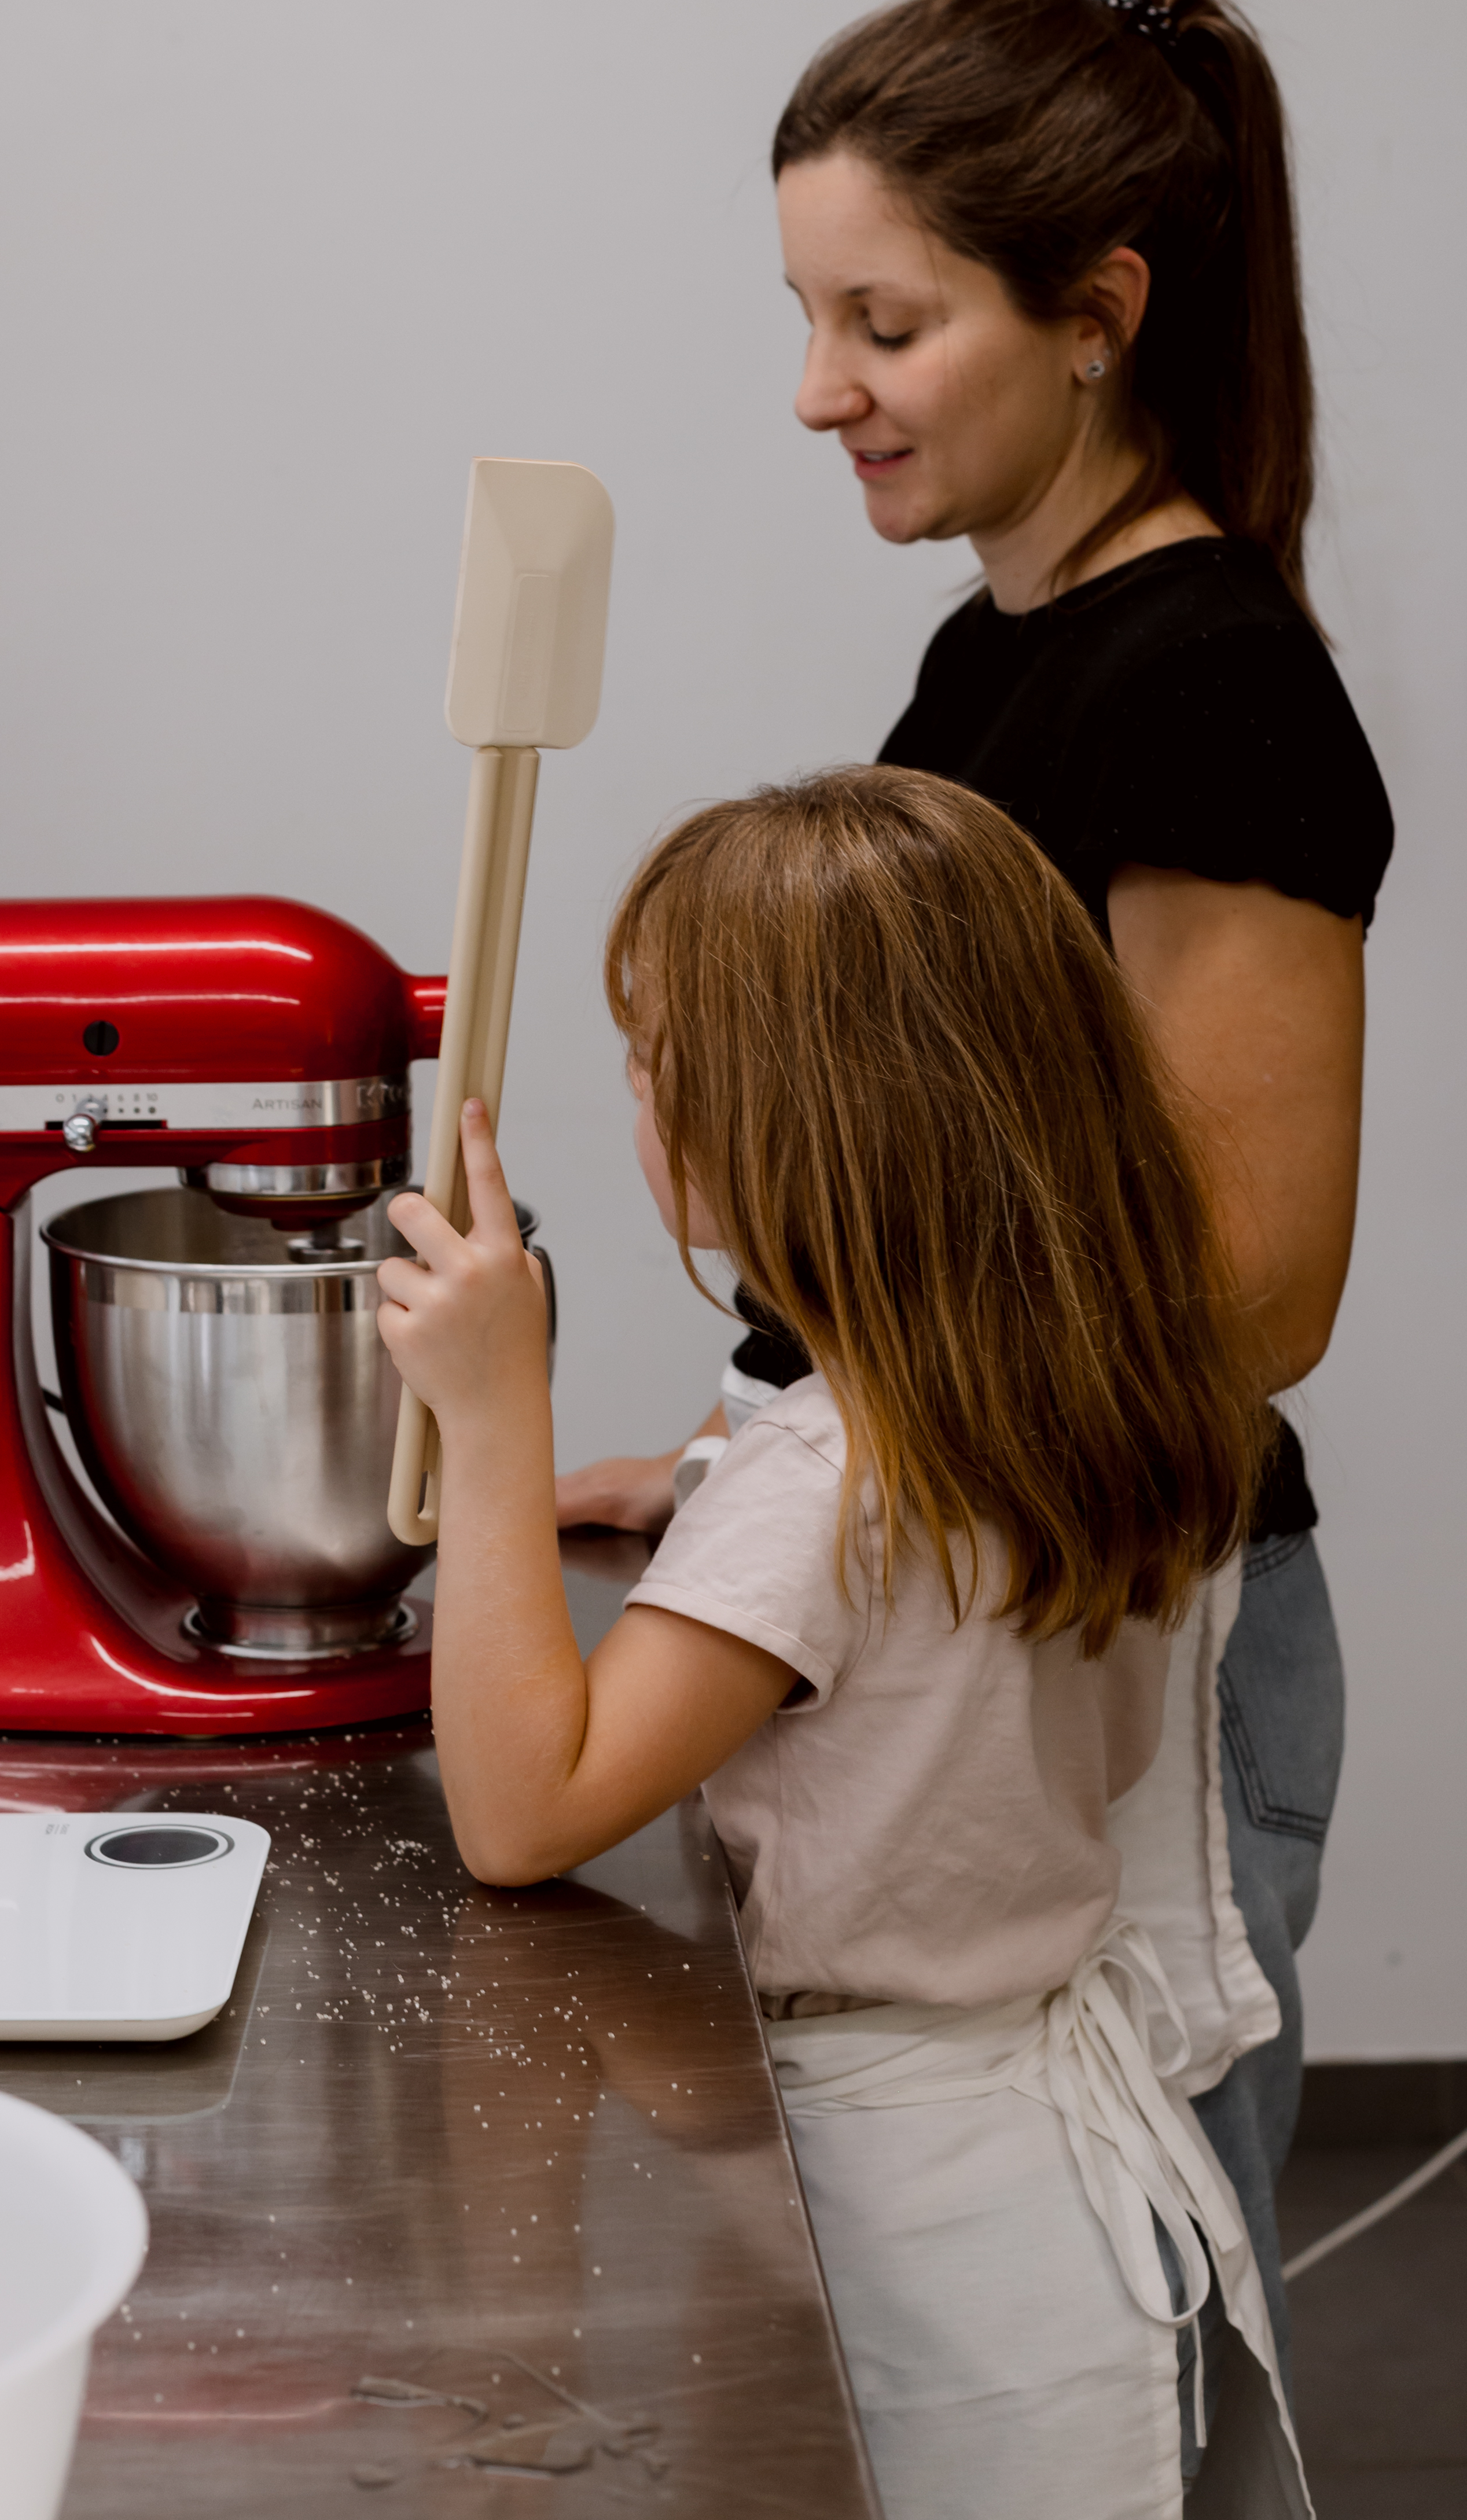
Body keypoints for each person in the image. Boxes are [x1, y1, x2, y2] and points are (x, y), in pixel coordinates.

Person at [556, 0, 1394, 2373]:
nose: (817, 387)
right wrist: (747, 1457)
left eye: (882, 323)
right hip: (1005, 1595)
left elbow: (1250, 1292)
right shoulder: (991, 657)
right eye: (812, 316)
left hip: (1145, 1639)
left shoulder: (1210, 679)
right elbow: (963, 1186)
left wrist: (828, 1473)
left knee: (1151, 2320)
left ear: (1098, 314)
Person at [380, 767, 1308, 2519]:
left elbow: (524, 1811)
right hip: (1030, 2148)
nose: (639, 1098)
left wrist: (494, 1423)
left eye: (656, 1063)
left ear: (793, 1119)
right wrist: (692, 1485)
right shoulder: (1071, 1386)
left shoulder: (827, 1480)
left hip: (904, 2194)